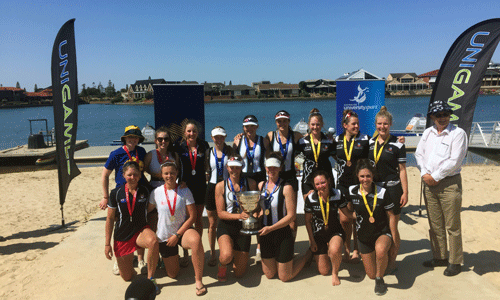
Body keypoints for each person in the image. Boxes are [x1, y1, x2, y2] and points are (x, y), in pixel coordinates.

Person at [415, 99, 467, 277]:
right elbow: (419, 154)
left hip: (449, 183)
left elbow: (455, 160)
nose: (443, 118)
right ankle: (439, 257)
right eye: (439, 115)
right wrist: (425, 174)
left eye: (445, 114)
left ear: (450, 115)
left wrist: (435, 177)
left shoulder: (458, 133)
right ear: (432, 117)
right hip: (428, 183)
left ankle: (455, 261)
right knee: (435, 224)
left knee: (452, 225)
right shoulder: (428, 133)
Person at [148, 160, 207, 296]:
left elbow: (192, 216)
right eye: (166, 173)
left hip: (182, 232)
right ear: (161, 175)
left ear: (177, 173)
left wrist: (177, 235)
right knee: (173, 274)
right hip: (164, 237)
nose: (169, 176)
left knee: (196, 240)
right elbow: (147, 210)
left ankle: (198, 281)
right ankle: (168, 259)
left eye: (172, 173)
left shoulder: (184, 190)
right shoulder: (156, 192)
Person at [104, 161, 160, 294]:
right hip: (123, 234)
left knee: (153, 241)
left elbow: (155, 209)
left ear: (140, 175)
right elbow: (110, 218)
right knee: (127, 277)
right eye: (129, 175)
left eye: (135, 174)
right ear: (123, 175)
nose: (132, 177)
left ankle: (150, 279)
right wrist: (107, 244)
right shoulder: (116, 193)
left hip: (141, 230)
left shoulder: (146, 191)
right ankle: (130, 260)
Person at [100, 125, 148, 275]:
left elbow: (143, 171)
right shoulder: (116, 153)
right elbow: (105, 175)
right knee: (121, 225)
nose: (133, 140)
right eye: (130, 137)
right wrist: (105, 196)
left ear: (139, 139)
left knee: (140, 223)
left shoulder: (141, 151)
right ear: (125, 138)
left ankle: (140, 259)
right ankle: (119, 259)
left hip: (138, 192)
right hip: (121, 195)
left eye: (135, 137)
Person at [258, 152, 311, 282]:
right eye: (269, 167)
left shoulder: (286, 187)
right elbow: (258, 209)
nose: (272, 170)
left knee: (285, 277)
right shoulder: (261, 186)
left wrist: (271, 228)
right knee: (270, 275)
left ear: (280, 168)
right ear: (265, 167)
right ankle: (281, 260)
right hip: (265, 234)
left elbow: (292, 216)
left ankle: (307, 256)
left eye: (275, 167)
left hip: (282, 233)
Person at [347, 159, 397, 296]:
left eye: (368, 176)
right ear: (357, 176)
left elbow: (391, 216)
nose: (365, 179)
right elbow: (345, 209)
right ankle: (380, 263)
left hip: (382, 232)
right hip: (363, 237)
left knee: (380, 251)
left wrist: (395, 239)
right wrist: (352, 216)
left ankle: (380, 280)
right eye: (362, 176)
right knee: (371, 275)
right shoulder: (352, 191)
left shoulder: (382, 192)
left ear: (373, 176)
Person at [368, 106, 408, 271]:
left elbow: (403, 170)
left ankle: (392, 260)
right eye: (379, 123)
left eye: (385, 124)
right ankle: (379, 257)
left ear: (390, 124)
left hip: (392, 189)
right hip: (375, 190)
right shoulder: (369, 143)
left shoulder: (398, 144)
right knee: (377, 225)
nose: (382, 127)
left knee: (393, 228)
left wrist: (405, 192)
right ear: (375, 124)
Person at [304, 170, 353, 286]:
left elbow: (348, 214)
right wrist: (312, 241)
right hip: (319, 235)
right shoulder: (310, 198)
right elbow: (307, 221)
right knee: (324, 271)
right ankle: (311, 252)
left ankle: (335, 273)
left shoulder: (337, 194)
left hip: (335, 231)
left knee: (335, 250)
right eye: (317, 184)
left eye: (323, 182)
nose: (321, 186)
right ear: (314, 186)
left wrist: (363, 214)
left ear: (329, 181)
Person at [215, 155, 257, 281]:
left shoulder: (251, 183)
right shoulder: (220, 186)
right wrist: (239, 215)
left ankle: (236, 253)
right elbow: (221, 213)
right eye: (232, 167)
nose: (234, 170)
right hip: (226, 225)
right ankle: (223, 263)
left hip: (243, 226)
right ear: (227, 168)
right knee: (226, 256)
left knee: (239, 273)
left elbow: (255, 206)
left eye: (237, 168)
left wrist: (254, 213)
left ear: (241, 168)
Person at [335, 110, 369, 263]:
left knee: (357, 219)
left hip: (358, 185)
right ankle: (346, 248)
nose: (356, 126)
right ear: (345, 126)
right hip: (342, 184)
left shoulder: (365, 139)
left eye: (357, 123)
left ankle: (356, 249)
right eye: (353, 124)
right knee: (344, 219)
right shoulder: (337, 140)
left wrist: (398, 140)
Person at [176, 120, 210, 267]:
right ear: (184, 133)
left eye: (194, 131)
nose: (191, 134)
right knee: (184, 220)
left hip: (200, 186)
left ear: (198, 132)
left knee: (198, 219)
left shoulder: (204, 145)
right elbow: (176, 165)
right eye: (189, 131)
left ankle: (198, 248)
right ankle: (185, 253)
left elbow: (207, 165)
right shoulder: (179, 146)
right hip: (184, 187)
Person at [205, 126, 233, 267]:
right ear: (212, 137)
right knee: (212, 224)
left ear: (225, 137)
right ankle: (212, 253)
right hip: (211, 188)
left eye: (221, 136)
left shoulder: (231, 151)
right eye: (216, 137)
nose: (219, 139)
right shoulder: (208, 152)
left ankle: (228, 251)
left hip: (227, 188)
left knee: (227, 220)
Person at [297, 108, 337, 200]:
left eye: (318, 124)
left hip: (326, 180)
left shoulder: (329, 140)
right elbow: (292, 157)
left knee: (328, 208)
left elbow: (338, 158)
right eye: (313, 124)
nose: (315, 127)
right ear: (308, 125)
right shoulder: (302, 141)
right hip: (308, 181)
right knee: (309, 209)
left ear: (322, 125)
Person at [266, 110, 303, 191]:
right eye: (279, 121)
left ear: (289, 122)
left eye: (284, 121)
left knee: (291, 202)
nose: (282, 123)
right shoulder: (271, 135)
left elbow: (309, 138)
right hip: (276, 175)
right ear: (276, 122)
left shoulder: (295, 135)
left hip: (290, 175)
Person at [233, 115, 269, 184]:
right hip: (243, 176)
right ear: (243, 127)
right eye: (247, 126)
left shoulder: (264, 141)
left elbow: (269, 159)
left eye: (252, 126)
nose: (250, 129)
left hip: (260, 177)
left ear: (257, 126)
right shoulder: (238, 141)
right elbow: (234, 160)